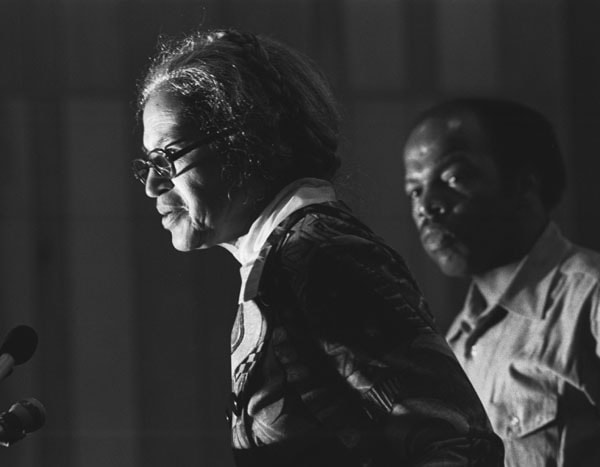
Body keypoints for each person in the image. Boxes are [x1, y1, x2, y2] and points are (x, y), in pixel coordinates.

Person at [133, 29, 503, 466]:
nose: (154, 185)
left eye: (168, 157)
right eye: (148, 164)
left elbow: (457, 445)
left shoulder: (317, 253)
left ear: (245, 141)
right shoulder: (283, 257)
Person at [403, 97, 600, 466]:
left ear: (525, 184)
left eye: (455, 177)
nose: (427, 207)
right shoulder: (458, 342)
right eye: (415, 190)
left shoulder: (589, 299)